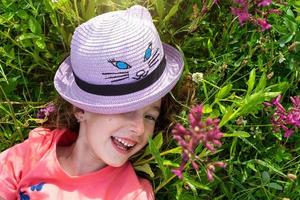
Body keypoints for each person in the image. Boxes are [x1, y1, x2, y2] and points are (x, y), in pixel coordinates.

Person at [0, 5, 183, 200]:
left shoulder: (132, 194)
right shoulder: (36, 150)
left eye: (150, 116)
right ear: (80, 109)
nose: (139, 129)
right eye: (126, 109)